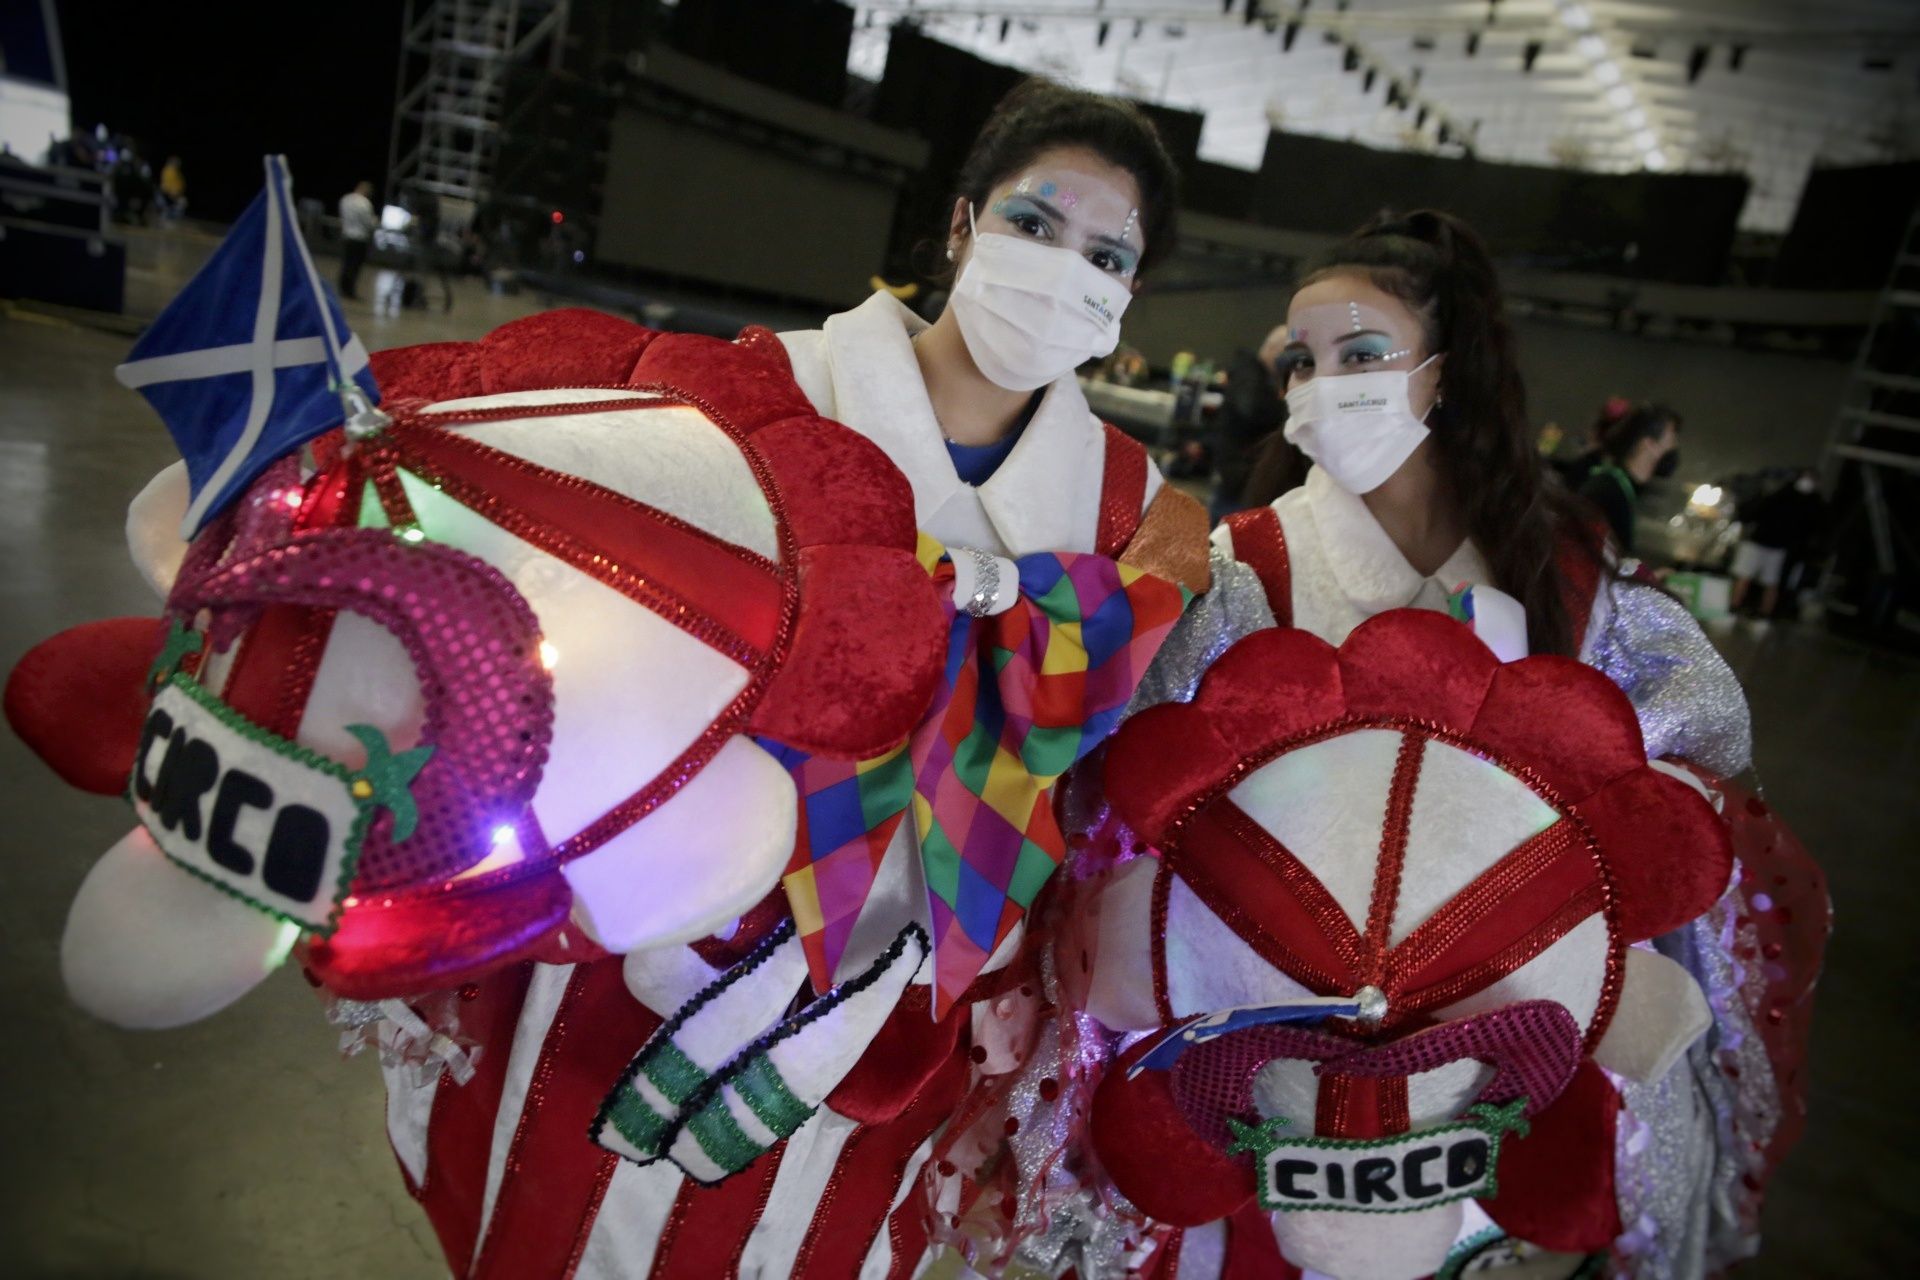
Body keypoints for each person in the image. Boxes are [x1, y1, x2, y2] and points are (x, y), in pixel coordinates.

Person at [377, 78, 1218, 1278]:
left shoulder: (1132, 508)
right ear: (962, 225)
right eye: (1035, 222)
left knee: (819, 1234)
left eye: (1106, 252)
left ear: (1125, 297)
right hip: (678, 900)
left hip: (907, 969)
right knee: (569, 1212)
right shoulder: (768, 385)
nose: (1060, 264)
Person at [1087, 208, 1808, 1275]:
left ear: (1445, 369)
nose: (1324, 384)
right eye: (1304, 360)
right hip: (1275, 1044)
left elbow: (1693, 744)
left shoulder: (1562, 573)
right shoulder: (1232, 565)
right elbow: (1130, 798)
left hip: (1501, 1036)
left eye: (1362, 353)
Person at [1576, 402, 1682, 557]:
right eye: (1671, 440)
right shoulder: (1606, 491)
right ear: (1649, 444)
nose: (1674, 448)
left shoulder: (1624, 488)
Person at [1204, 326, 1287, 522]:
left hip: (1239, 479)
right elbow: (1251, 410)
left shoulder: (1255, 376)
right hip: (1238, 482)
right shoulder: (1250, 377)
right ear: (1274, 350)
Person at [1731, 468, 1826, 618]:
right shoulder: (1782, 494)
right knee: (1745, 576)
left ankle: (1764, 612)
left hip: (1779, 547)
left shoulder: (1813, 503)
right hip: (1759, 541)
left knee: (1771, 582)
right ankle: (1734, 606)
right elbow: (1758, 510)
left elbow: (1812, 526)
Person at [336, 180, 376, 301]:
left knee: (346, 263)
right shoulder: (365, 204)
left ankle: (342, 287)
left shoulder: (345, 200)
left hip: (347, 235)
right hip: (360, 239)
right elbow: (368, 223)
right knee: (355, 266)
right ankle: (350, 290)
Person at [157, 155, 186, 221]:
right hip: (168, 193)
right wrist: (172, 191)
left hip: (176, 194)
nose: (178, 164)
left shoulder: (176, 171)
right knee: (180, 203)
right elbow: (166, 183)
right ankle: (169, 218)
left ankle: (171, 218)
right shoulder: (168, 170)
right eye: (176, 162)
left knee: (182, 203)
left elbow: (179, 183)